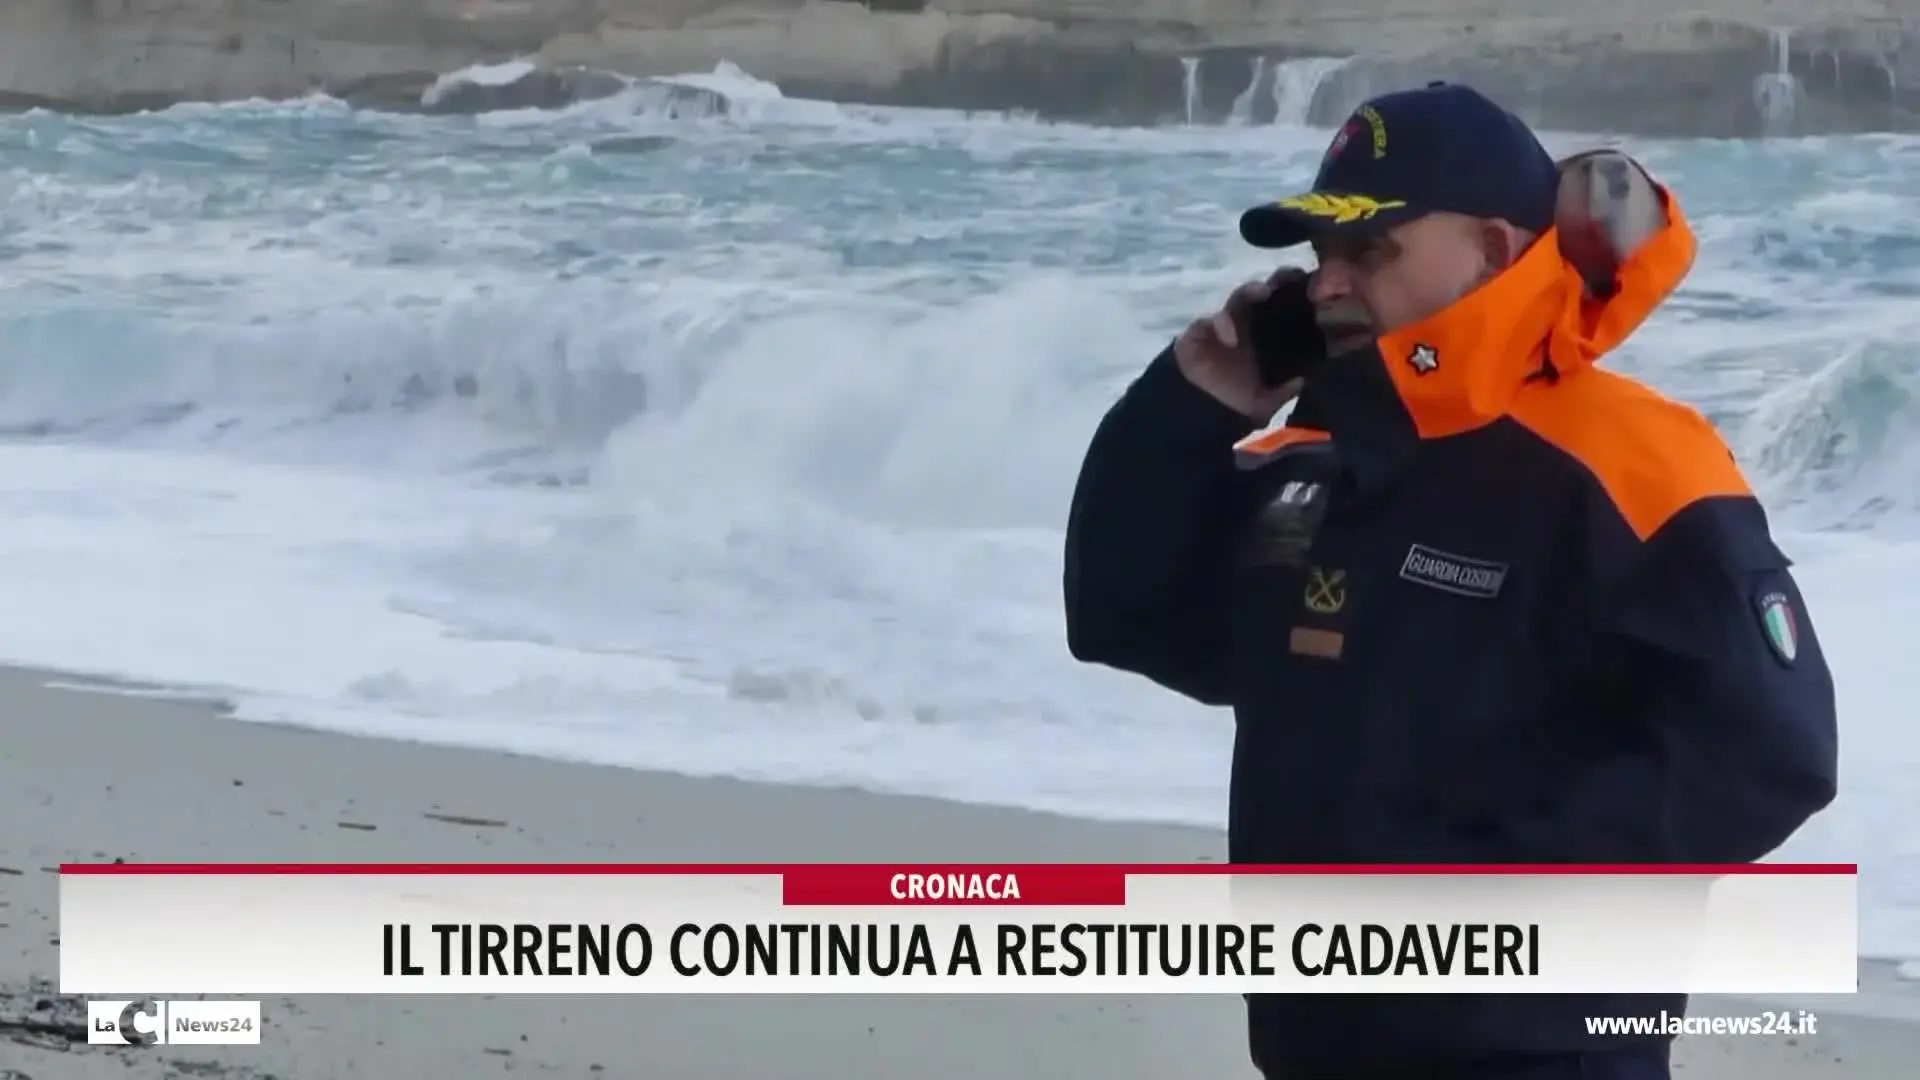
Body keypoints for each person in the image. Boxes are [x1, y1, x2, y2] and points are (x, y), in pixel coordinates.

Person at [1061, 82, 1839, 1080]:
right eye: (1321, 256)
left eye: (1369, 251)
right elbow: (1125, 614)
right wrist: (1189, 406)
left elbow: (1770, 751)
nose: (1326, 286)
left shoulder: (1630, 465)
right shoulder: (1320, 460)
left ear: (1497, 253)